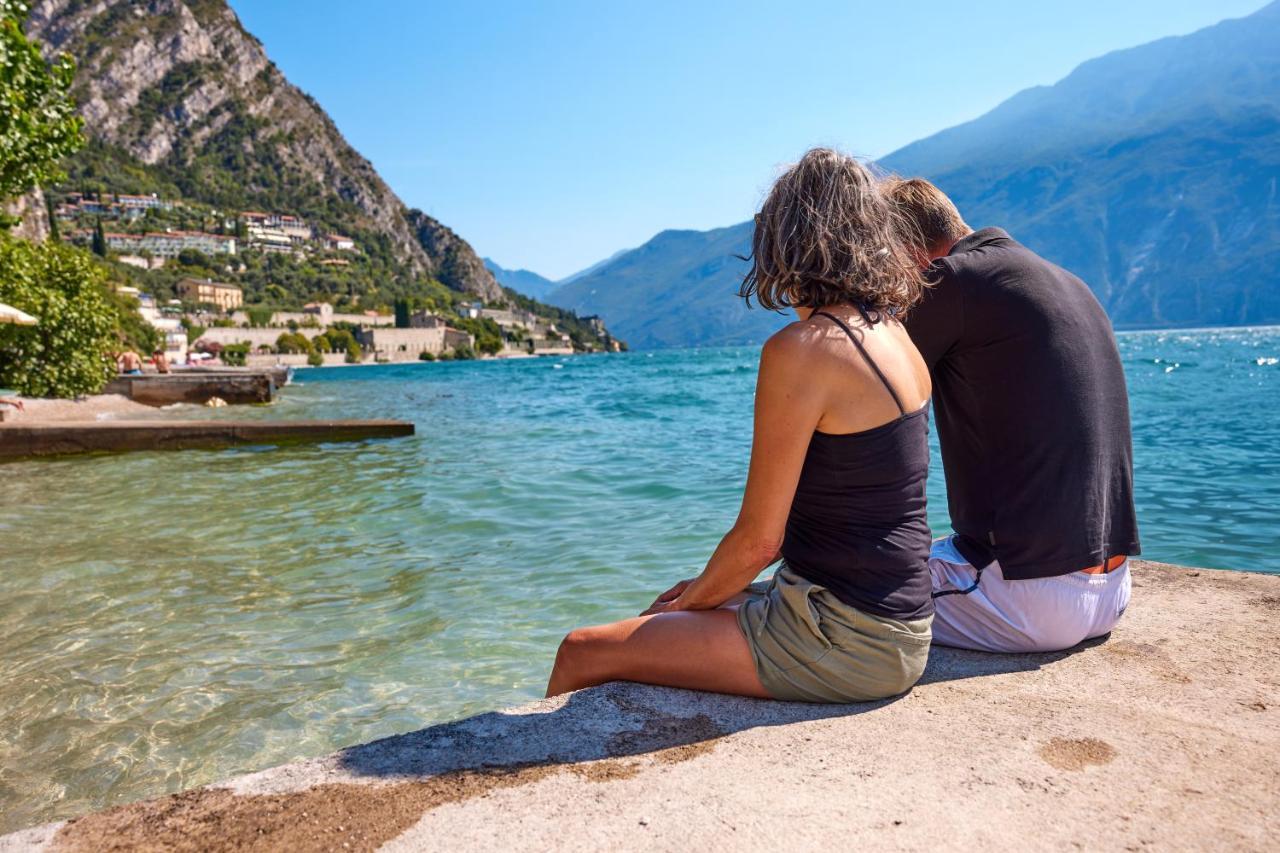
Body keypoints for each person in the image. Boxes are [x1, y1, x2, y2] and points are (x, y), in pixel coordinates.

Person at [546, 149, 935, 702]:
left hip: (845, 637)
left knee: (582, 649)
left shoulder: (803, 350)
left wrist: (687, 606)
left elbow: (759, 541)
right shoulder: (895, 336)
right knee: (676, 608)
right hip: (900, 624)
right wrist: (705, 595)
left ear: (785, 239)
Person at [885, 177, 1139, 653]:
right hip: (1111, 590)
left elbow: (864, 390)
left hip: (1027, 597)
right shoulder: (1068, 282)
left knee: (837, 596)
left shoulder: (949, 280)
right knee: (932, 555)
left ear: (904, 250)